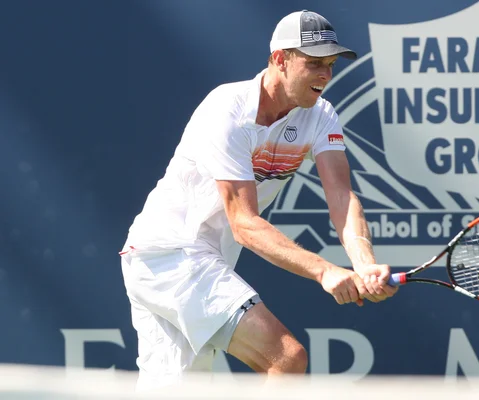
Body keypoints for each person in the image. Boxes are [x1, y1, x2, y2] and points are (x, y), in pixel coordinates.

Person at [120, 9, 398, 390]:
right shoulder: (227, 111)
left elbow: (341, 195)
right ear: (280, 59)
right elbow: (245, 224)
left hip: (180, 260)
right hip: (171, 254)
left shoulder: (321, 115)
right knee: (285, 357)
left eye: (330, 65)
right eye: (314, 63)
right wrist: (325, 270)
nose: (325, 76)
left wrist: (363, 264)